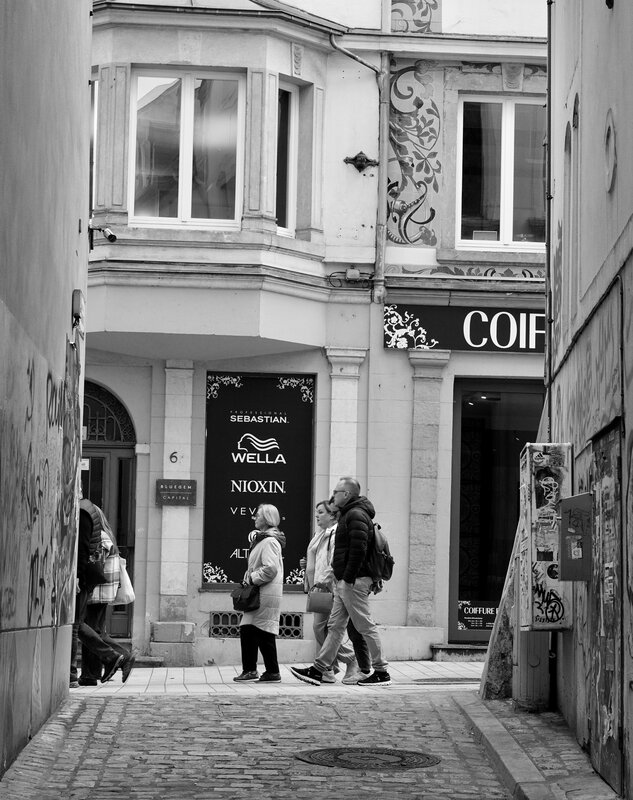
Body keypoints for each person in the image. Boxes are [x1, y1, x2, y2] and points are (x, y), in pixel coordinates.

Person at [291, 477, 391, 687]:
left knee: (365, 626)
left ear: (346, 494)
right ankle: (319, 670)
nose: (333, 495)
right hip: (344, 582)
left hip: (353, 582)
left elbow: (358, 550)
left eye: (336, 492)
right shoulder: (349, 514)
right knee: (335, 626)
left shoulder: (356, 515)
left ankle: (381, 671)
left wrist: (348, 579)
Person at [302, 500, 370, 684]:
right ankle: (328, 670)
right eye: (316, 511)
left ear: (332, 515)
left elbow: (335, 562)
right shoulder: (319, 535)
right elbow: (319, 559)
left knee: (324, 628)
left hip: (329, 587)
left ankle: (348, 659)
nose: (317, 515)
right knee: (322, 628)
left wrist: (323, 581)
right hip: (318, 588)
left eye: (321, 512)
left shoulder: (334, 534)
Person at [70, 497, 134, 687]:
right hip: (100, 591)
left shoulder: (102, 537)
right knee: (91, 629)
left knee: (85, 628)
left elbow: (95, 564)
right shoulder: (105, 535)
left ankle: (121, 656)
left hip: (98, 592)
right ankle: (90, 674)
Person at [233, 504, 286, 683]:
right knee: (254, 629)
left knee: (260, 630)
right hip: (262, 592)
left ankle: (265, 671)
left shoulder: (269, 541)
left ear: (267, 519)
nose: (254, 517)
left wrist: (252, 578)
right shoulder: (264, 539)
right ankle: (260, 670)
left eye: (258, 515)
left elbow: (270, 569)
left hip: (264, 593)